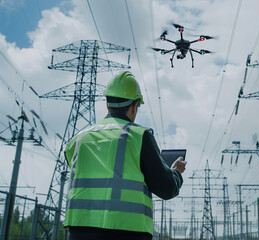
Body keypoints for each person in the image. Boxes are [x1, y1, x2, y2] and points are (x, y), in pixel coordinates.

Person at [64, 71, 187, 240]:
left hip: (79, 230)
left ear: (107, 105)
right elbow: (166, 189)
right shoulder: (140, 136)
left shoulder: (78, 139)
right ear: (134, 106)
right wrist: (176, 172)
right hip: (127, 230)